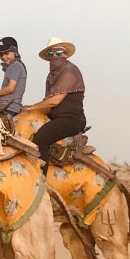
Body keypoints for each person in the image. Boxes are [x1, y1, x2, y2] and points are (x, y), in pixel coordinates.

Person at [20, 37, 85, 175]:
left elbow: (54, 101)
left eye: (58, 52)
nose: (55, 56)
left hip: (71, 119)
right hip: (56, 117)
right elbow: (48, 106)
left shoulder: (70, 71)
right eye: (51, 54)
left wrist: (31, 107)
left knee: (40, 140)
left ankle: (41, 180)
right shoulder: (51, 76)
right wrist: (24, 111)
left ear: (66, 54)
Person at [0, 36, 27, 117]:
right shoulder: (13, 66)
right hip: (5, 106)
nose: (3, 57)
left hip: (9, 108)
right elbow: (10, 93)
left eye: (6, 53)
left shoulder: (15, 66)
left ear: (15, 52)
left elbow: (10, 88)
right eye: (1, 54)